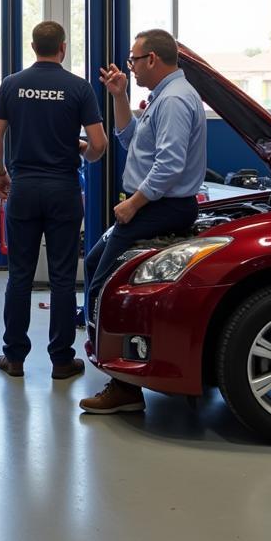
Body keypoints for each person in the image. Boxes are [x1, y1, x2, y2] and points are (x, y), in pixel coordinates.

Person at [79, 28, 207, 415]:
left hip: (160, 207)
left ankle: (124, 386)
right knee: (93, 266)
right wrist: (118, 96)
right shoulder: (162, 97)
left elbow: (170, 163)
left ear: (152, 59)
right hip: (153, 204)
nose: (130, 66)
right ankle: (121, 373)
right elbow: (128, 139)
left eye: (134, 59)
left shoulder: (174, 100)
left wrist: (134, 204)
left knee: (105, 284)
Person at [0, 21, 108, 380]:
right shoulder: (78, 88)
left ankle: (14, 358)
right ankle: (60, 361)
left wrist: (3, 174)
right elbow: (99, 146)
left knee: (19, 276)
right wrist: (81, 149)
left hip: (23, 189)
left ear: (33, 46)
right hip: (63, 191)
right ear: (63, 48)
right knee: (61, 278)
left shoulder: (12, 85)